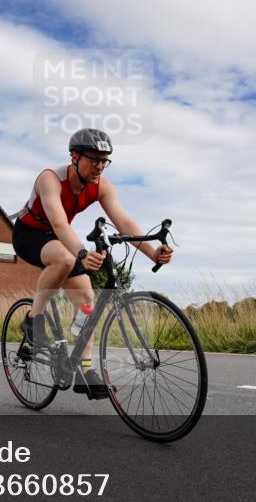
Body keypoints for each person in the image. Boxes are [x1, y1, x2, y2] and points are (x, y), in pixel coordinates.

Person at [11, 128, 173, 398]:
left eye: (104, 160)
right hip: (30, 234)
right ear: (74, 156)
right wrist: (82, 254)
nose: (99, 166)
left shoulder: (102, 186)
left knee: (87, 300)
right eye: (93, 159)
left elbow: (123, 222)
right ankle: (32, 320)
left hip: (61, 239)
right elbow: (59, 223)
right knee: (64, 258)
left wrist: (153, 253)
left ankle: (86, 371)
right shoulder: (50, 178)